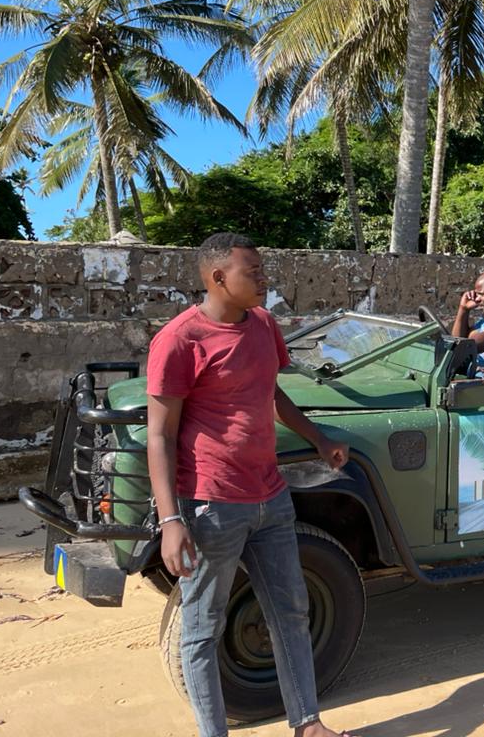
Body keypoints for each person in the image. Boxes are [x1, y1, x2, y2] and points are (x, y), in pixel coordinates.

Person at [146, 233, 353, 737]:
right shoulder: (179, 340)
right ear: (218, 278)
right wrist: (171, 520)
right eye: (253, 272)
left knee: (291, 609)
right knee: (201, 629)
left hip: (270, 496)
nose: (264, 279)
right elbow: (159, 435)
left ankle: (308, 724)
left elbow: (271, 391)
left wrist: (318, 438)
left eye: (262, 270)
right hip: (211, 505)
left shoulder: (262, 324)